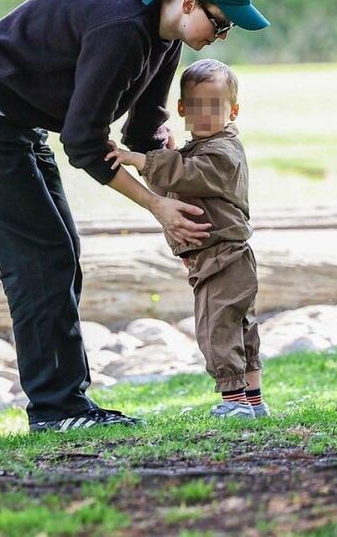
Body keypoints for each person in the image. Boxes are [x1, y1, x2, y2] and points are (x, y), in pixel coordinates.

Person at [0, 0, 269, 433]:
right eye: (221, 24)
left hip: (17, 121)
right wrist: (156, 206)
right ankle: (56, 410)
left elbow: (143, 133)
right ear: (189, 3)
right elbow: (85, 144)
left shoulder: (165, 37)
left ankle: (69, 403)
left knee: (61, 250)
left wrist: (184, 196)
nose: (221, 37)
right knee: (41, 257)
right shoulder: (123, 28)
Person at [105, 59, 266, 419]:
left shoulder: (223, 153)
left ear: (233, 110)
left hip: (224, 259)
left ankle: (236, 402)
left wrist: (139, 159)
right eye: (196, 106)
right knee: (238, 325)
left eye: (215, 107)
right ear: (181, 109)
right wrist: (169, 155)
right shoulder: (204, 148)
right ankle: (254, 403)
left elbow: (188, 174)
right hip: (220, 258)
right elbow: (176, 179)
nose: (205, 114)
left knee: (219, 327)